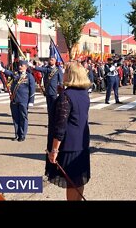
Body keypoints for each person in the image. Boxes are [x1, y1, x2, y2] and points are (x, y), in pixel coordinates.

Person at [46, 61, 91, 201]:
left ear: (71, 75)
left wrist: (54, 150)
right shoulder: (83, 93)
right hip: (81, 144)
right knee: (78, 181)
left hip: (69, 146)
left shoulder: (66, 97)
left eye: (65, 72)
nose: (63, 74)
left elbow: (60, 126)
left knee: (71, 183)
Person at [4, 60, 36, 142]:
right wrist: (2, 70)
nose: (19, 67)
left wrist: (31, 101)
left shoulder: (29, 76)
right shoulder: (16, 74)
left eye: (21, 65)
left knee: (23, 118)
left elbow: (32, 89)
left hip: (24, 100)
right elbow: (9, 73)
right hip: (14, 99)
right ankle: (16, 134)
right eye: (19, 65)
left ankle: (22, 135)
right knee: (15, 118)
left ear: (26, 66)